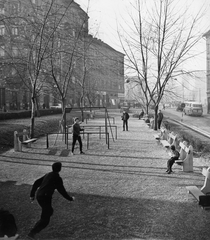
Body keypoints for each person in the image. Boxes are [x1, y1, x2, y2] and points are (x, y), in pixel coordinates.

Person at [28, 162, 75, 239]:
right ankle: (32, 233)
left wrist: (32, 195)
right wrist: (70, 198)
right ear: (60, 169)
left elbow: (36, 182)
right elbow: (62, 191)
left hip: (39, 196)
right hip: (45, 198)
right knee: (46, 219)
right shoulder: (57, 178)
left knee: (48, 212)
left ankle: (36, 227)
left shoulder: (48, 174)